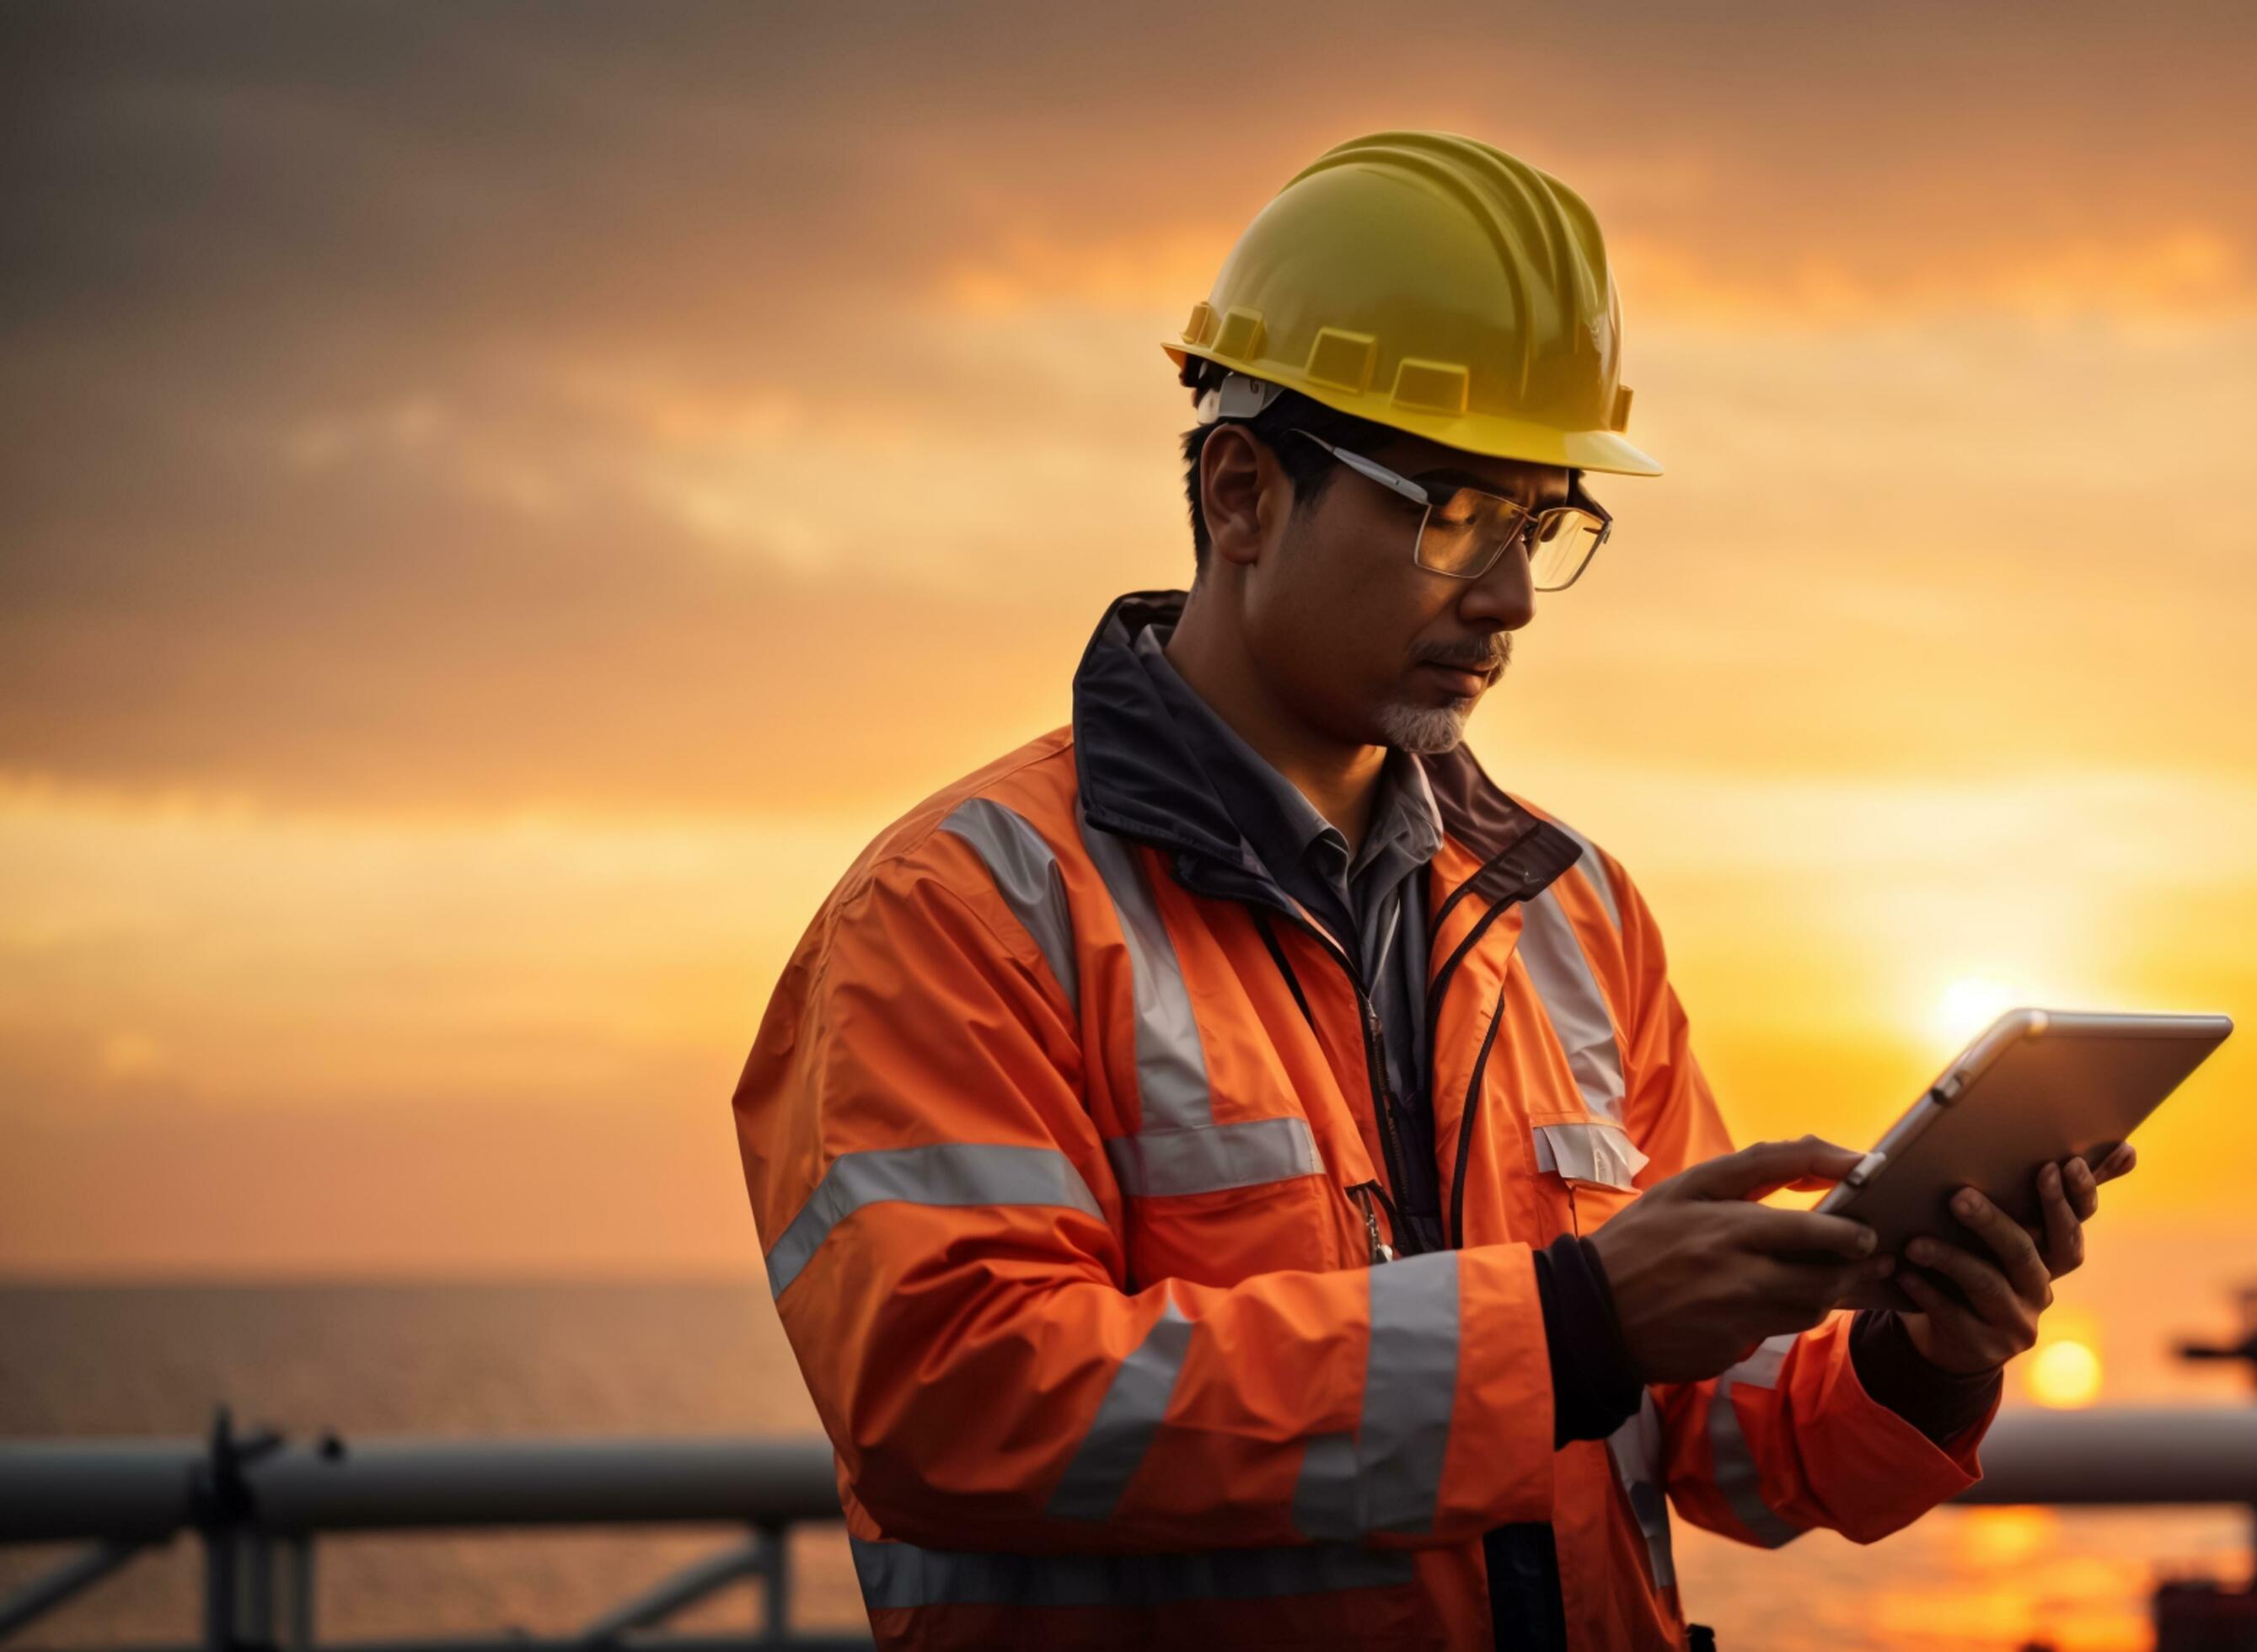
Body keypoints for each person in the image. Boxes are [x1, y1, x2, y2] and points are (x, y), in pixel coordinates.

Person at [729, 130, 2136, 1651]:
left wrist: (1922, 1351)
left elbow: (1730, 1437)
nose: (1513, 597)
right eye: (1452, 514)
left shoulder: (1576, 914)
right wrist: (1571, 1325)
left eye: (1541, 523)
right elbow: (961, 1403)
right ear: (1243, 492)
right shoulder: (959, 913)